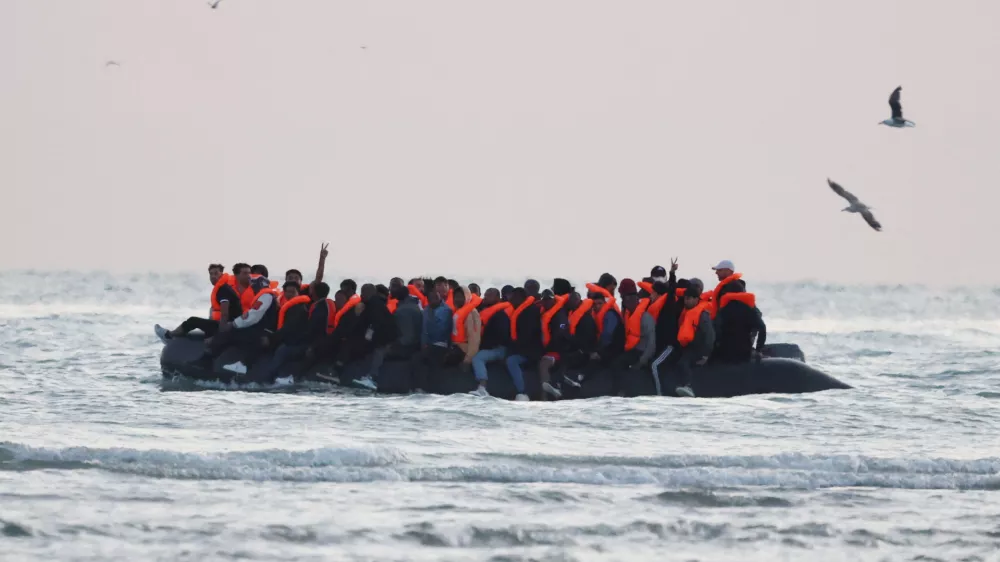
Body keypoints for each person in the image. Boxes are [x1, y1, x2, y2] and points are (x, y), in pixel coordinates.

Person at [155, 263, 243, 341]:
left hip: (230, 327)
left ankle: (169, 335)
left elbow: (225, 314)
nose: (213, 276)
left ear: (221, 274)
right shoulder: (224, 287)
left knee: (193, 320)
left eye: (216, 273)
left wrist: (220, 335)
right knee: (205, 324)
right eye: (211, 274)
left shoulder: (223, 289)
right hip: (232, 325)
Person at [213, 275, 279, 375]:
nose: (251, 287)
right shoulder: (268, 296)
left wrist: (233, 324)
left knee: (232, 333)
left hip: (265, 332)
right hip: (264, 330)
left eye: (253, 285)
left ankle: (243, 364)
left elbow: (254, 316)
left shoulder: (266, 296)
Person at [352, 283, 399, 391]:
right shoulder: (374, 304)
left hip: (388, 339)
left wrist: (368, 337)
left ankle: (372, 378)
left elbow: (376, 323)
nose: (361, 295)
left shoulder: (374, 305)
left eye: (363, 292)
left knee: (378, 352)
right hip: (383, 337)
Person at [673, 279, 715, 398]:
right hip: (689, 346)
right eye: (685, 298)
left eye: (689, 298)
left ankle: (688, 386)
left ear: (696, 299)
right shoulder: (686, 312)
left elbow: (710, 335)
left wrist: (706, 355)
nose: (686, 301)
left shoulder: (702, 314)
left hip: (699, 349)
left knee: (683, 363)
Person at [262, 282, 312, 380]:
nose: (290, 294)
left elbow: (288, 329)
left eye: (293, 292)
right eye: (288, 292)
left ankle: (268, 378)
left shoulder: (299, 308)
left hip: (297, 343)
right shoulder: (286, 306)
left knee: (281, 352)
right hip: (290, 340)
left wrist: (271, 338)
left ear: (298, 293)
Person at [468, 288, 511, 397]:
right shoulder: (484, 311)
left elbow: (501, 337)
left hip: (499, 348)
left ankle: (482, 387)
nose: (485, 297)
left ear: (497, 298)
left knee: (478, 358)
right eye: (485, 295)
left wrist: (485, 346)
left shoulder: (501, 315)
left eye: (489, 295)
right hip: (491, 346)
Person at [410, 290, 453, 393]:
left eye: (436, 298)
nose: (433, 301)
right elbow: (423, 330)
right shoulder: (426, 310)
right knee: (416, 359)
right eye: (431, 299)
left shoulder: (446, 311)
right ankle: (419, 387)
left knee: (433, 361)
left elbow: (441, 330)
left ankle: (432, 390)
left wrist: (427, 343)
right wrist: (423, 344)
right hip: (427, 344)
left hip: (440, 344)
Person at [713, 284, 767, 363]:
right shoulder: (749, 310)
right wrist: (758, 349)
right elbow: (762, 327)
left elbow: (716, 330)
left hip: (725, 352)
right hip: (744, 353)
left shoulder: (723, 311)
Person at [612, 278, 656, 372]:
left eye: (622, 297)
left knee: (618, 364)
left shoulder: (645, 317)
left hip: (641, 353)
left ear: (627, 298)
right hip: (632, 349)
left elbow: (651, 343)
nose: (622, 301)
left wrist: (642, 361)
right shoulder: (627, 313)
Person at [505, 287, 540, 402]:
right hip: (523, 348)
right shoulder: (520, 310)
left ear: (520, 298)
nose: (511, 300)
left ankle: (522, 391)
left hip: (531, 351)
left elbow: (527, 336)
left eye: (513, 298)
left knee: (512, 361)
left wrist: (513, 349)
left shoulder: (530, 312)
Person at [538, 289, 570, 399]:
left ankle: (547, 388)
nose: (547, 302)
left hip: (559, 351)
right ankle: (546, 391)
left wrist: (547, 348)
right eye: (544, 300)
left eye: (549, 300)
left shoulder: (560, 315)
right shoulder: (542, 313)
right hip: (546, 349)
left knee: (544, 363)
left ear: (553, 300)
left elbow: (560, 335)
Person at [561, 290, 597, 389]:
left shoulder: (586, 319)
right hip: (577, 348)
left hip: (584, 352)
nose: (570, 303)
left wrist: (569, 338)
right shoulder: (572, 314)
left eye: (572, 301)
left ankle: (570, 381)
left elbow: (586, 340)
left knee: (564, 359)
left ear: (578, 300)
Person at [450, 286, 482, 372]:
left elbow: (474, 339)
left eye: (460, 297)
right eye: (455, 297)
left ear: (467, 297)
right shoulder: (457, 311)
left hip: (464, 351)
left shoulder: (472, 314)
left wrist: (467, 360)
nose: (457, 299)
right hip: (455, 346)